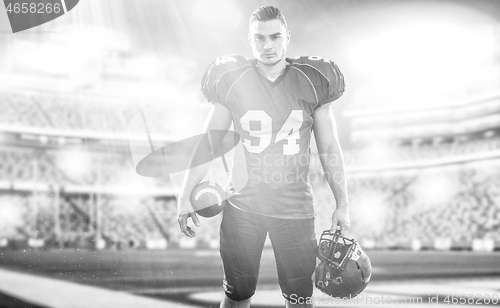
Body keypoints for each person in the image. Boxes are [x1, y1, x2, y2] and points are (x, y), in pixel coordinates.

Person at [177, 6, 350, 308]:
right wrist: (184, 195)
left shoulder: (313, 78)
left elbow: (329, 148)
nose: (267, 45)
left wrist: (343, 204)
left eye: (274, 37)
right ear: (249, 39)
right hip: (243, 207)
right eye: (259, 38)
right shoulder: (231, 78)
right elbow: (209, 143)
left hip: (295, 208)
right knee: (237, 296)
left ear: (287, 38)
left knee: (300, 300)